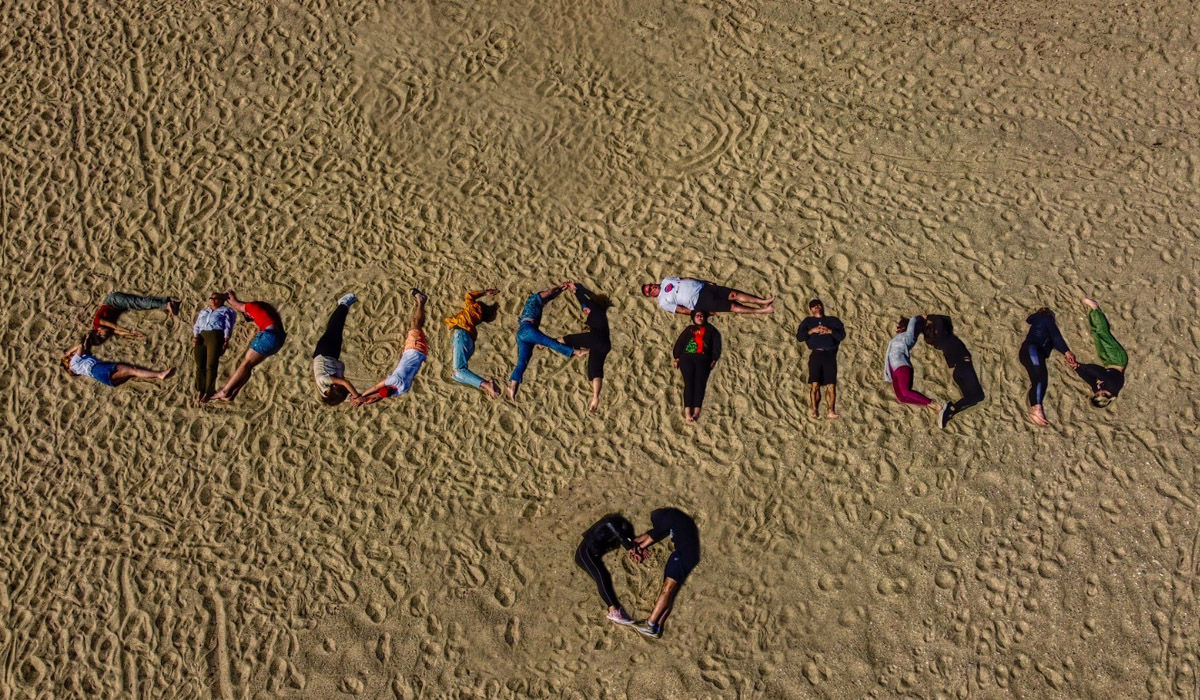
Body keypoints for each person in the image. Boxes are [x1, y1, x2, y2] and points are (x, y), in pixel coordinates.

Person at [628, 508, 700, 640]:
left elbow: (653, 536)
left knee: (667, 589)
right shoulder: (676, 520)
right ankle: (657, 627)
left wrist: (638, 549)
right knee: (670, 592)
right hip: (688, 555)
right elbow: (649, 535)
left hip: (683, 555)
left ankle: (650, 624)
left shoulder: (670, 518)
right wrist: (635, 545)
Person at [507, 282, 587, 401]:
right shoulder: (535, 298)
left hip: (522, 334)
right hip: (528, 330)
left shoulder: (533, 305)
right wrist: (559, 287)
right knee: (551, 343)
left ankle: (513, 387)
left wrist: (562, 290)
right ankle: (575, 352)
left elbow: (551, 296)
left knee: (522, 362)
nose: (545, 302)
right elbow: (549, 293)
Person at [353, 289, 429, 407]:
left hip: (421, 353)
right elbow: (376, 388)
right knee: (415, 324)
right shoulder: (393, 380)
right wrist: (361, 396)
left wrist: (366, 399)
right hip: (414, 349)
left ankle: (421, 304)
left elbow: (379, 395)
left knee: (417, 326)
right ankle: (421, 301)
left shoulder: (402, 389)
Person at [209, 291, 286, 402]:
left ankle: (225, 390)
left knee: (246, 363)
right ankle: (232, 393)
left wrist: (227, 297)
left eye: (249, 317)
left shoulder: (251, 307)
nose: (251, 319)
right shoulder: (266, 307)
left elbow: (237, 304)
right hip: (278, 340)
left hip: (269, 336)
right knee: (249, 366)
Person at [575, 514, 640, 627]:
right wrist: (629, 548)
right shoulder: (610, 522)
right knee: (602, 576)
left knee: (603, 578)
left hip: (591, 555)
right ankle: (614, 611)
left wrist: (635, 547)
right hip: (584, 553)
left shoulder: (615, 530)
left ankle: (616, 610)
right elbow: (618, 534)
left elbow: (625, 538)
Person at [923, 315, 985, 428]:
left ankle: (950, 412)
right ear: (936, 331)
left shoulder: (939, 343)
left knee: (971, 398)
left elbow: (945, 322)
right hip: (964, 367)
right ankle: (949, 409)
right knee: (978, 396)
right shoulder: (942, 337)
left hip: (959, 371)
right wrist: (927, 316)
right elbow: (940, 319)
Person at [1019, 308, 1077, 426]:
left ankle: (1035, 407)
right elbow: (1056, 337)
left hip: (1030, 352)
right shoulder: (1046, 318)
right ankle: (1037, 409)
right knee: (1040, 379)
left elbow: (1053, 340)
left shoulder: (1038, 320)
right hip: (1032, 350)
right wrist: (1067, 351)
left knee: (1039, 379)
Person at [561, 281, 612, 412]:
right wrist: (578, 289)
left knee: (569, 339)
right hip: (605, 344)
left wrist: (576, 290)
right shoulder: (600, 312)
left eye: (585, 308)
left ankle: (545, 342)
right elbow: (589, 297)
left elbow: (585, 299)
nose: (584, 310)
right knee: (595, 371)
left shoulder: (595, 307)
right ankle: (595, 397)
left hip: (596, 338)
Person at [445, 288, 501, 398]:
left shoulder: (473, 308)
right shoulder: (475, 318)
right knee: (456, 375)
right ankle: (483, 385)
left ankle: (487, 385)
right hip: (469, 341)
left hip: (462, 334)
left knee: (459, 370)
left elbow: (469, 295)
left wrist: (484, 292)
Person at [1073, 297, 1128, 408]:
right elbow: (1096, 371)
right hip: (1117, 359)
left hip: (1107, 361)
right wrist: (1081, 366)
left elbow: (1089, 379)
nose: (1100, 392)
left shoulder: (1099, 390)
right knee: (1103, 333)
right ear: (1108, 397)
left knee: (1096, 335)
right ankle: (1095, 307)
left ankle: (1092, 313)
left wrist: (1077, 368)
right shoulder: (1112, 387)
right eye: (1103, 394)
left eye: (1098, 394)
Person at [62, 333, 174, 387]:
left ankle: (158, 375)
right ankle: (160, 374)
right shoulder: (73, 363)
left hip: (101, 376)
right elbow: (80, 346)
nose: (73, 355)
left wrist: (86, 337)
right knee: (133, 370)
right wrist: (69, 352)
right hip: (99, 369)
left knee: (132, 372)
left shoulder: (79, 364)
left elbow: (84, 347)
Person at [796, 299, 846, 419]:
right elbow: (800, 337)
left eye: (818, 305)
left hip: (830, 354)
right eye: (813, 306)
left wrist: (829, 331)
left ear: (822, 306)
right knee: (815, 384)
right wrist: (812, 330)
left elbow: (841, 336)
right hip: (816, 354)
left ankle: (831, 411)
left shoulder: (832, 320)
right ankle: (815, 410)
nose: (816, 307)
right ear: (811, 310)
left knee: (831, 385)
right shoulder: (808, 321)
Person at [672, 310, 722, 422]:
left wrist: (714, 358)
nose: (699, 317)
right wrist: (677, 357)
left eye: (701, 316)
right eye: (697, 316)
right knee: (689, 383)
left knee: (700, 384)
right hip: (687, 358)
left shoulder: (711, 330)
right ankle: (687, 413)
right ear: (694, 318)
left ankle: (696, 412)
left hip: (703, 358)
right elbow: (680, 343)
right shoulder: (689, 329)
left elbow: (716, 345)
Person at [313, 294, 363, 406]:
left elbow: (345, 383)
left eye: (337, 385)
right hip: (332, 356)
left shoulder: (323, 380)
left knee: (335, 327)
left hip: (324, 351)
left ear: (334, 387)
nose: (338, 383)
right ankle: (343, 306)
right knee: (337, 329)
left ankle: (343, 303)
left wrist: (356, 396)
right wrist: (352, 396)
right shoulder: (328, 392)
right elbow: (343, 385)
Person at [884, 316, 940, 412]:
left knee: (906, 391)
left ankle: (932, 403)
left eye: (899, 327)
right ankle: (926, 403)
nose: (897, 329)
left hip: (902, 367)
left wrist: (920, 317)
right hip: (893, 370)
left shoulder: (908, 337)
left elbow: (912, 321)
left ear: (904, 328)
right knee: (901, 398)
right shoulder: (898, 338)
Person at [641, 277, 774, 315]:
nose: (652, 287)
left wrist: (703, 282)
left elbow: (686, 278)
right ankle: (762, 310)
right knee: (732, 306)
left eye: (651, 285)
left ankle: (762, 301)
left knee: (734, 294)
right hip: (699, 302)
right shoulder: (663, 302)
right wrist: (700, 313)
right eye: (650, 290)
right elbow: (681, 310)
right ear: (651, 296)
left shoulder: (666, 281)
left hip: (703, 288)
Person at [192, 292, 237, 403]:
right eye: (211, 298)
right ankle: (200, 389)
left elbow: (228, 326)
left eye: (216, 298)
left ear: (221, 300)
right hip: (202, 335)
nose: (213, 300)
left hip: (215, 335)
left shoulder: (225, 311)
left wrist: (226, 339)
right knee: (200, 364)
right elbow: (197, 325)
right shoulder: (204, 311)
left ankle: (209, 390)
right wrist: (195, 336)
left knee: (211, 364)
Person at [90, 291, 181, 343]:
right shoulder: (104, 331)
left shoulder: (98, 321)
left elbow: (115, 327)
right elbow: (118, 332)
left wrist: (130, 331)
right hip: (119, 307)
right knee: (139, 305)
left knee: (138, 303)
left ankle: (167, 305)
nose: (107, 334)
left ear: (98, 332)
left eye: (104, 335)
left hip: (114, 301)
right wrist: (134, 334)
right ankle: (165, 301)